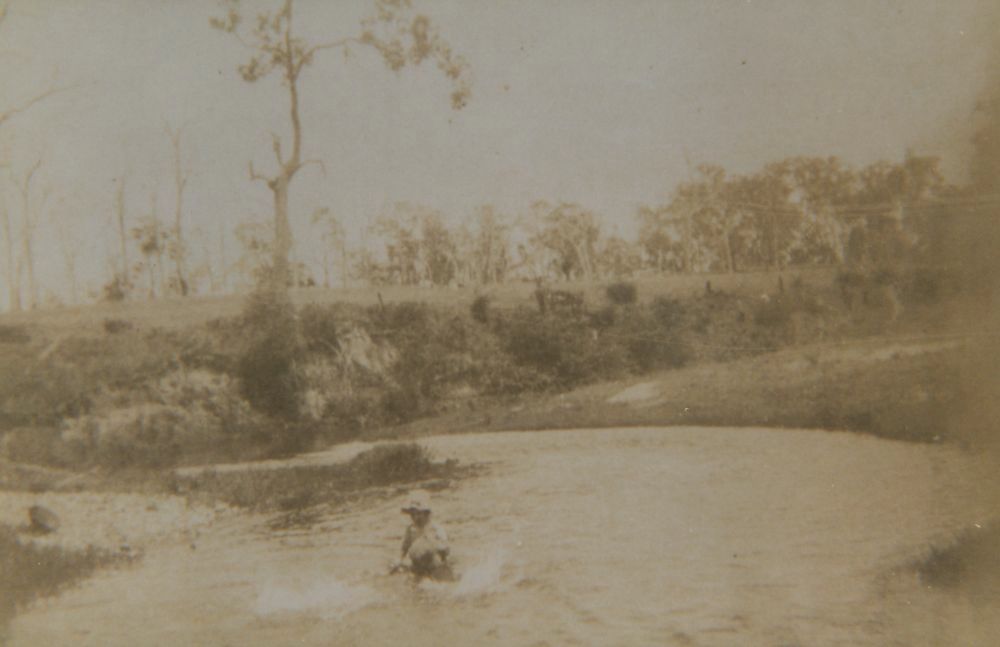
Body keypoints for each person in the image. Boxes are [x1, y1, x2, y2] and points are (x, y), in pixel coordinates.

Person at [393, 491, 453, 581]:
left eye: (418, 514)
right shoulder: (410, 529)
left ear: (426, 513)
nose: (415, 517)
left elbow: (446, 549)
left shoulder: (436, 528)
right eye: (412, 514)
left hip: (434, 565)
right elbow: (404, 548)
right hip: (417, 565)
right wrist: (399, 560)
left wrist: (438, 547)